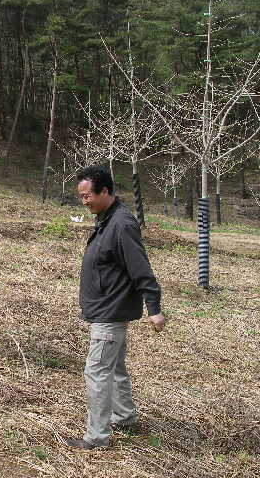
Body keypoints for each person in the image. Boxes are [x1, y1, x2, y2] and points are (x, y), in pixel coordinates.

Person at [65, 165, 165, 450]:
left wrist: (154, 308)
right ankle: (125, 416)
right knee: (115, 366)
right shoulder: (107, 219)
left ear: (105, 191)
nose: (84, 202)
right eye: (81, 197)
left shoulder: (121, 224)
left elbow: (141, 270)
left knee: (96, 371)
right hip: (107, 309)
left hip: (110, 313)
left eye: (87, 196)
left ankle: (96, 437)